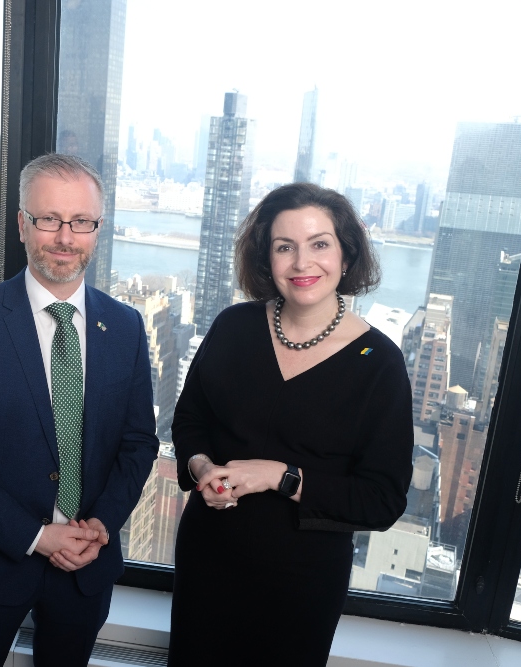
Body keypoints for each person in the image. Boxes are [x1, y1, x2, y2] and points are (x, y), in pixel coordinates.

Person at [0, 153, 159, 666]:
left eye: (82, 222)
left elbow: (139, 444)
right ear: (23, 225)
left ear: (98, 229)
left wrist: (101, 525)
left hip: (87, 567)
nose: (66, 237)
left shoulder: (126, 328)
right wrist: (37, 537)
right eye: (49, 219)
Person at [168, 183, 414, 666]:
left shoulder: (378, 363)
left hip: (300, 585)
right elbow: (190, 421)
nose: (303, 263)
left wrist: (281, 476)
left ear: (347, 255)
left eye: (320, 244)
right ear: (267, 260)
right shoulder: (233, 327)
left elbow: (382, 499)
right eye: (285, 247)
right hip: (208, 562)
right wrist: (201, 468)